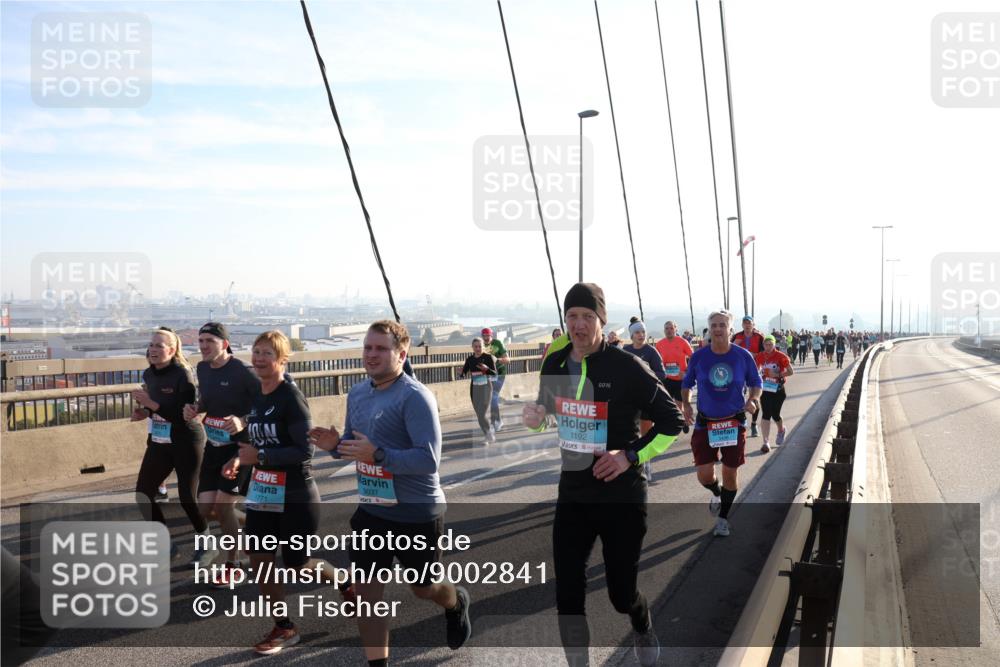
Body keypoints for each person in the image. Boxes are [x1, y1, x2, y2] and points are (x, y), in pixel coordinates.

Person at [523, 283, 685, 667]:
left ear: (602, 320)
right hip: (574, 493)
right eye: (572, 317)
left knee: (620, 594)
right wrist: (536, 421)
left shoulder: (627, 366)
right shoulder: (556, 362)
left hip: (622, 496)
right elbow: (547, 414)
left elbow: (672, 422)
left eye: (587, 317)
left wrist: (629, 455)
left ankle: (642, 623)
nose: (578, 326)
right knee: (567, 596)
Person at [310, 320, 472, 664]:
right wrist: (336, 446)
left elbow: (428, 460)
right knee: (368, 596)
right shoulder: (357, 393)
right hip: (373, 511)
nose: (371, 354)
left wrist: (378, 455)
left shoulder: (415, 397)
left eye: (380, 348)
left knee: (424, 588)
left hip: (416, 513)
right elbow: (358, 447)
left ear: (402, 353)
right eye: (368, 347)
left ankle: (455, 601)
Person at [221, 331, 337, 655]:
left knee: (297, 564)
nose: (258, 359)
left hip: (296, 492)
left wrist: (258, 457)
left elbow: (304, 451)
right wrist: (237, 459)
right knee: (260, 560)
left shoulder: (291, 397)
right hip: (262, 491)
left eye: (267, 354)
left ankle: (342, 580)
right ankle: (284, 626)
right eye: (256, 352)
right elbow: (259, 441)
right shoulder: (258, 396)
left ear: (282, 359)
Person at [182, 322, 260, 582]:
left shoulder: (244, 371)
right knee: (206, 508)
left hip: (240, 448)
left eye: (209, 341)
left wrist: (243, 420)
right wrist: (196, 408)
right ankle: (253, 526)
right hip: (214, 445)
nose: (202, 346)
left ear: (225, 344)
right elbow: (207, 399)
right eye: (200, 340)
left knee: (223, 507)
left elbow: (268, 405)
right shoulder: (202, 368)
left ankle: (233, 564)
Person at [681, 310, 762, 537]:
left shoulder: (743, 356)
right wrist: (686, 404)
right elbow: (687, 383)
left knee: (730, 474)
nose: (718, 329)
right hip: (705, 424)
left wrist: (753, 399)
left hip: (733, 423)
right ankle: (716, 493)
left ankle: (723, 518)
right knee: (704, 475)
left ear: (730, 329)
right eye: (714, 325)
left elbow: (756, 382)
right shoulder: (699, 356)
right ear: (710, 329)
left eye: (722, 325)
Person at [131, 327, 208, 560]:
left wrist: (151, 405)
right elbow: (157, 404)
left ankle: (206, 541)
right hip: (160, 440)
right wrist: (144, 411)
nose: (153, 350)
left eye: (159, 346)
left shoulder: (182, 373)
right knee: (143, 494)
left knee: (187, 497)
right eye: (151, 345)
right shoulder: (149, 374)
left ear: (172, 350)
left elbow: (181, 415)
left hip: (186, 439)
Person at [622, 318, 668, 482]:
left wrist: (645, 380)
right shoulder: (625, 350)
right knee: (628, 435)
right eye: (637, 332)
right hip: (629, 401)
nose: (641, 335)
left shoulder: (651, 351)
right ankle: (629, 466)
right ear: (631, 335)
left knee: (645, 435)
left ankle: (647, 465)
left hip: (647, 400)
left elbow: (662, 375)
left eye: (643, 332)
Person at [755, 335, 793, 453]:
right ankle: (765, 442)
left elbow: (791, 372)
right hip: (765, 389)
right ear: (763, 345)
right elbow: (757, 369)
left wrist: (777, 375)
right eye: (766, 344)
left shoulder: (781, 356)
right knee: (766, 413)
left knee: (775, 415)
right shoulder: (760, 356)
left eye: (770, 344)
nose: (768, 347)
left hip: (778, 389)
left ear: (774, 344)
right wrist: (758, 375)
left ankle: (781, 430)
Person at [655, 320, 694, 434]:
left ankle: (684, 421)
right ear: (664, 331)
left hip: (680, 379)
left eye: (671, 328)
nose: (669, 330)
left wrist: (687, 372)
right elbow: (656, 362)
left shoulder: (682, 342)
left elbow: (693, 357)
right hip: (666, 379)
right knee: (667, 405)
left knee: (679, 405)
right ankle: (673, 426)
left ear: (676, 329)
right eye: (666, 328)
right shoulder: (659, 344)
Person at [458, 337, 498, 444]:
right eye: (475, 347)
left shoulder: (488, 357)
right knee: (479, 415)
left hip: (486, 388)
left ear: (483, 347)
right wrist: (461, 373)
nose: (478, 348)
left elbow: (494, 373)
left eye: (480, 346)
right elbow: (464, 372)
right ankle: (488, 434)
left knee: (482, 414)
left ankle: (488, 434)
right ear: (472, 347)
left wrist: (486, 369)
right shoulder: (470, 359)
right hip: (474, 389)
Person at [731, 316, 765, 438]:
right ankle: (738, 422)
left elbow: (765, 352)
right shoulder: (737, 336)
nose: (747, 325)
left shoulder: (759, 337)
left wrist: (752, 355)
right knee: (736, 396)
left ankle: (754, 424)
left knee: (754, 398)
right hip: (738, 370)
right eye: (745, 323)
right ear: (742, 325)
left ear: (753, 324)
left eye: (749, 323)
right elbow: (728, 351)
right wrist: (734, 344)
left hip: (754, 369)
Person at [481, 328, 509, 433]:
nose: (486, 338)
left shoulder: (497, 344)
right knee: (490, 399)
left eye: (488, 335)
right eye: (484, 336)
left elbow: (508, 360)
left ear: (491, 336)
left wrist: (497, 359)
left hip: (500, 374)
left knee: (493, 397)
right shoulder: (481, 346)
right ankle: (498, 420)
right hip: (488, 375)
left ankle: (494, 422)